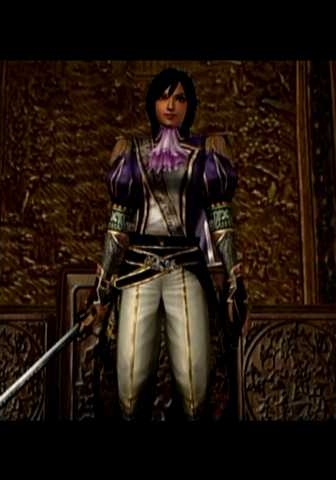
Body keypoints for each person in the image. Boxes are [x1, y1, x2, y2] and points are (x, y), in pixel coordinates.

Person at [79, 68, 246, 421]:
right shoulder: (131, 151)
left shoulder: (206, 152)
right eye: (164, 97)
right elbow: (118, 224)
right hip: (136, 272)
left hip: (186, 269)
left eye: (180, 98)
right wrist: (101, 286)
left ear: (190, 105)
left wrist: (234, 278)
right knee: (129, 388)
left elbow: (221, 220)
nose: (171, 105)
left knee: (194, 387)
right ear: (153, 103)